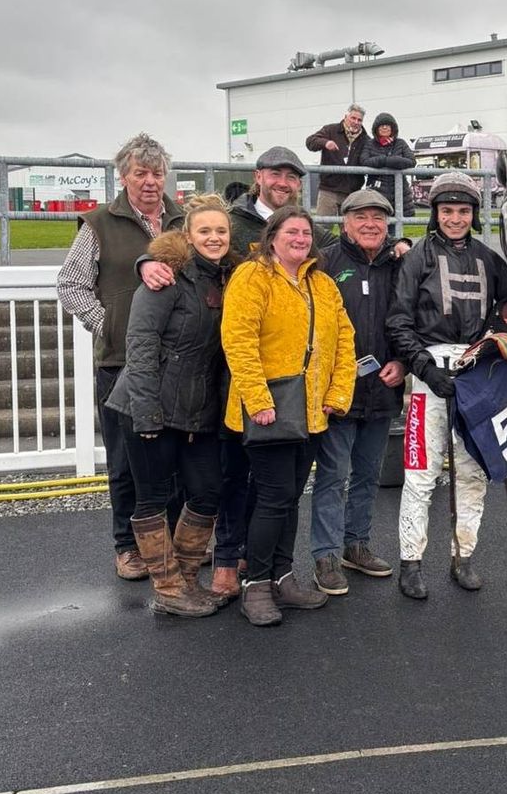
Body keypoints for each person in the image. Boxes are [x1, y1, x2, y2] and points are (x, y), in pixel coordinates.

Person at [221, 205, 357, 626]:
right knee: (273, 497)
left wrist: (338, 392)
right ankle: (256, 584)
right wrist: (258, 400)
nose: (300, 239)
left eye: (306, 233)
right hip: (271, 409)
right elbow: (238, 340)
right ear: (272, 235)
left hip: (313, 411)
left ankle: (282, 576)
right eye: (291, 232)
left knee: (289, 497)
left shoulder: (322, 283)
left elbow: (345, 340)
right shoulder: (253, 275)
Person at [385, 171, 507, 599]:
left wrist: (490, 347)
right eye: (448, 211)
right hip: (430, 376)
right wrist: (424, 367)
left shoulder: (489, 258)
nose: (456, 218)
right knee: (421, 473)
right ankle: (411, 562)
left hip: (475, 374)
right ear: (435, 213)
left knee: (471, 472)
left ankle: (463, 557)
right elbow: (398, 320)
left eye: (463, 211)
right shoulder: (417, 258)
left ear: (475, 214)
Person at [105, 195, 239, 617]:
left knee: (206, 491)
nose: (214, 238)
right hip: (148, 405)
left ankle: (182, 580)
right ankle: (167, 588)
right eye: (205, 231)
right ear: (188, 235)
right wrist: (146, 413)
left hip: (196, 409)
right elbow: (140, 346)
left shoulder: (227, 278)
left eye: (221, 231)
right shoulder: (164, 278)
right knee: (153, 497)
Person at [57, 133, 183, 580]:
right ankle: (127, 546)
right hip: (120, 362)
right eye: (140, 173)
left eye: (156, 173)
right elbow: (70, 284)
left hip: (175, 362)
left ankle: (170, 543)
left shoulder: (183, 221)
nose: (150, 182)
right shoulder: (98, 224)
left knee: (173, 459)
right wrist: (105, 322)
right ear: (123, 175)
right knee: (125, 463)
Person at [309, 189, 407, 595]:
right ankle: (326, 555)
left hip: (382, 390)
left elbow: (410, 320)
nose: (371, 224)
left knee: (367, 474)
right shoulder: (326, 264)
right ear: (344, 222)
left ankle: (357, 544)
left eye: (378, 218)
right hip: (338, 392)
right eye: (361, 217)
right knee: (333, 476)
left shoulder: (399, 265)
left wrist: (402, 362)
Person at [306, 104, 368, 217]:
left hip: (352, 193)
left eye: (359, 120)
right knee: (322, 228)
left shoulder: (366, 139)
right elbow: (310, 142)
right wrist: (325, 143)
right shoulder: (330, 130)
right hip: (328, 190)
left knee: (349, 230)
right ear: (345, 117)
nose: (356, 122)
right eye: (353, 118)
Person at [360, 112, 416, 221]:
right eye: (381, 125)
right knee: (377, 222)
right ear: (376, 129)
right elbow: (364, 161)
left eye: (387, 125)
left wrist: (389, 160)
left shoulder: (400, 143)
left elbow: (411, 161)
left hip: (399, 193)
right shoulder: (370, 144)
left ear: (393, 128)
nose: (385, 127)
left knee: (397, 228)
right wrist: (384, 160)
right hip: (377, 192)